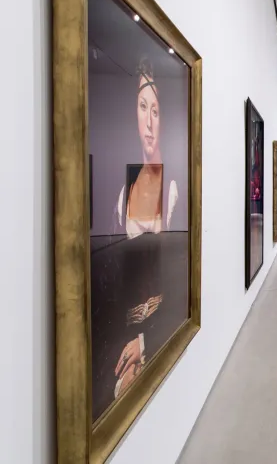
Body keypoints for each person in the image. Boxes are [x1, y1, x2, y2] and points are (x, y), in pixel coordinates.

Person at [93, 57, 185, 418]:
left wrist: (145, 341)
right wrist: (128, 342)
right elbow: (112, 281)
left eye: (156, 111)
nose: (148, 122)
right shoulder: (123, 194)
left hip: (163, 324)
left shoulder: (175, 188)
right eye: (142, 108)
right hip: (123, 334)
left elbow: (181, 275)